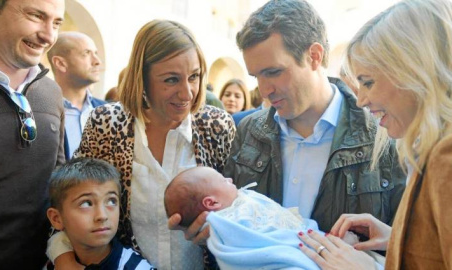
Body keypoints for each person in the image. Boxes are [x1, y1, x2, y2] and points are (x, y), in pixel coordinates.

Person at [48, 19, 235, 269]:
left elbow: (243, 209)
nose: (187, 93)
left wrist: (220, 230)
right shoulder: (108, 124)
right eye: (171, 80)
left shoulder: (217, 125)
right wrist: (62, 256)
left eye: (194, 76)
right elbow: (70, 197)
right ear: (142, 78)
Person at [220, 0, 407, 234]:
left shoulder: (385, 137)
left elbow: (408, 247)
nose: (264, 90)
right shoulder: (248, 132)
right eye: (256, 76)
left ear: (314, 56)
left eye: (273, 72)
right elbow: (226, 219)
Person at [297, 0, 452, 269]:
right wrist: (397, 239)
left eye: (368, 82)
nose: (361, 100)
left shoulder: (445, 156)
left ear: (414, 70)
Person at [0, 0, 66, 269]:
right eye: (36, 15)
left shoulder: (51, 93)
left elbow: (58, 185)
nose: (49, 36)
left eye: (56, 22)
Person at [164, 167, 370, 270]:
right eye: (223, 180)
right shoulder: (229, 221)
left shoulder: (241, 201)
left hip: (312, 243)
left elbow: (279, 219)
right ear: (211, 203)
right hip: (284, 258)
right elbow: (252, 248)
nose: (229, 179)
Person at [47, 158, 152, 269]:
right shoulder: (55, 263)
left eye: (111, 201)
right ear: (56, 219)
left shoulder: (135, 267)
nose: (102, 216)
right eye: (86, 204)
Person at [47, 32, 106, 160]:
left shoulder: (108, 111)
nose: (97, 61)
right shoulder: (41, 112)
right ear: (60, 63)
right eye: (86, 53)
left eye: (96, 53)